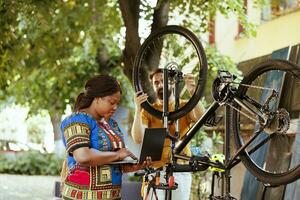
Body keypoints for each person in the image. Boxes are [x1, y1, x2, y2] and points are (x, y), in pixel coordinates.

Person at [60, 75, 149, 200]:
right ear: (97, 99)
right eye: (111, 102)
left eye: (117, 103)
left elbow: (111, 161)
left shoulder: (111, 124)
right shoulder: (76, 120)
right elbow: (83, 156)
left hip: (112, 196)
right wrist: (118, 155)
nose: (115, 107)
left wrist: (131, 166)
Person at [131, 69, 205, 200]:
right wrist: (138, 109)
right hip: (156, 170)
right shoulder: (149, 110)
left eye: (163, 81)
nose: (159, 85)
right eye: (156, 83)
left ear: (172, 82)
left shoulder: (183, 105)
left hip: (180, 169)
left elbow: (202, 118)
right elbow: (137, 138)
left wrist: (193, 92)